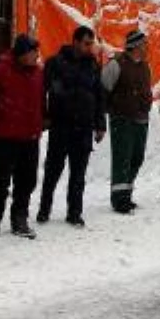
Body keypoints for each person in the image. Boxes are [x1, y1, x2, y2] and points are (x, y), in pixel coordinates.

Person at [0, 34, 45, 239]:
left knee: (26, 181)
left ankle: (19, 220)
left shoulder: (38, 74)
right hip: (6, 136)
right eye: (33, 52)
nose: (37, 56)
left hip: (30, 137)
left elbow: (41, 101)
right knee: (0, 181)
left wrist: (40, 122)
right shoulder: (0, 71)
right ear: (22, 53)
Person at [38, 26, 106, 227]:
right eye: (86, 43)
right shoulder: (55, 63)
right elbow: (41, 92)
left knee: (78, 174)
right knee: (53, 171)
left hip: (83, 128)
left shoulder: (93, 65)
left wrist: (100, 124)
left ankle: (74, 212)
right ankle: (44, 210)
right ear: (75, 42)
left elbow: (99, 96)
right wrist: (45, 116)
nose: (89, 47)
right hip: (61, 125)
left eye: (91, 43)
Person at [101, 30, 153, 214]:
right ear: (136, 45)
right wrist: (111, 111)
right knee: (122, 158)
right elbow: (103, 89)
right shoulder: (116, 64)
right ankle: (118, 199)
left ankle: (127, 194)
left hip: (141, 119)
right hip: (122, 120)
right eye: (144, 43)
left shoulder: (145, 66)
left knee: (136, 158)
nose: (147, 46)